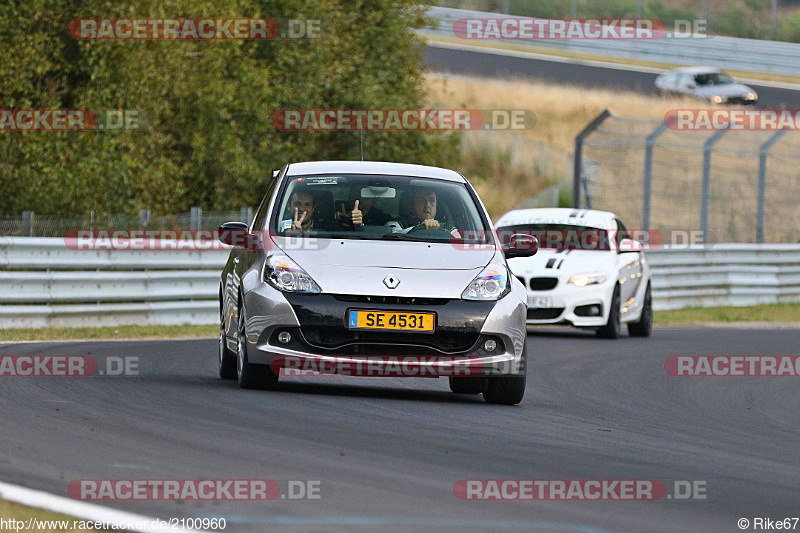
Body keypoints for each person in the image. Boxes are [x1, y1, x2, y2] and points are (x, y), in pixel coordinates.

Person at [393, 187, 459, 236]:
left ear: (436, 206)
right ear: (411, 206)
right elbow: (392, 235)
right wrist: (420, 227)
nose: (427, 205)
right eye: (421, 200)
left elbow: (459, 242)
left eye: (431, 200)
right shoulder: (398, 224)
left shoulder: (448, 228)